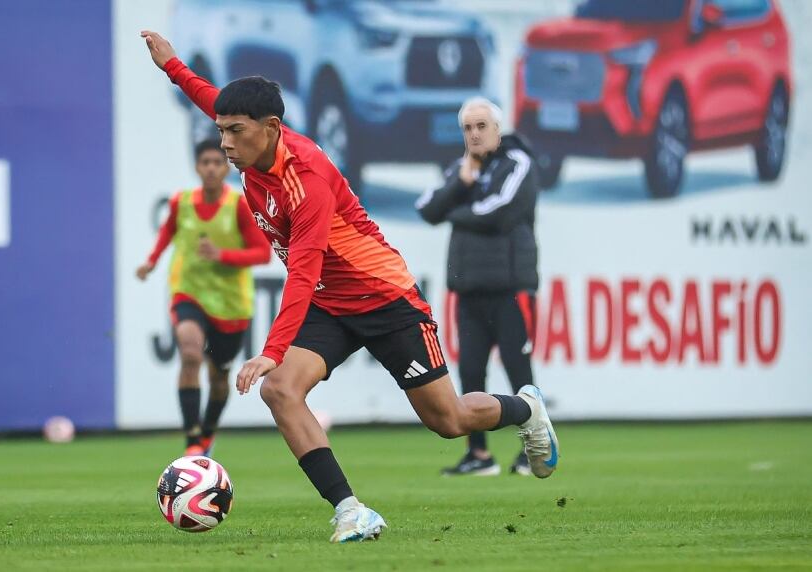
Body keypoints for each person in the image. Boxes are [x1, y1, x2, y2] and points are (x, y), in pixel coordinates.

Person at [140, 30, 559, 544]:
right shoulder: (253, 147)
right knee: (281, 391)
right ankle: (350, 511)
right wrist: (173, 66)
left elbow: (304, 270)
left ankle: (526, 409)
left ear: (270, 129)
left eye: (234, 132)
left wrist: (270, 350)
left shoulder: (307, 178)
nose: (224, 142)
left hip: (386, 299)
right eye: (221, 131)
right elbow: (214, 101)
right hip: (330, 305)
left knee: (448, 420)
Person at [416, 98, 542, 477]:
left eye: (481, 126)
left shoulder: (518, 163)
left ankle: (531, 450)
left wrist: (456, 210)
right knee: (471, 371)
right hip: (468, 289)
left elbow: (499, 212)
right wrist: (461, 184)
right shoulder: (461, 169)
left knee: (520, 370)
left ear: (498, 129)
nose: (474, 133)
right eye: (468, 127)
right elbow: (427, 208)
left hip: (511, 287)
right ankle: (479, 455)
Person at [136, 140, 272, 457]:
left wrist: (221, 254)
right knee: (190, 352)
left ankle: (208, 430)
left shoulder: (238, 205)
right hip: (189, 291)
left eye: (217, 162)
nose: (211, 168)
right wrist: (151, 261)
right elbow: (167, 233)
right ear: (197, 167)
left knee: (219, 375)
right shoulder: (181, 202)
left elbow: (262, 253)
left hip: (230, 304)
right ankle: (192, 439)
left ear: (226, 168)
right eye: (205, 162)